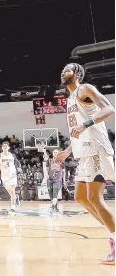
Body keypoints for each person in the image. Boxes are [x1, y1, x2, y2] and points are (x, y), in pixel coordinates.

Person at [56, 63, 115, 265]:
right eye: (62, 70)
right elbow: (76, 130)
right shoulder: (70, 99)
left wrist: (86, 123)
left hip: (96, 148)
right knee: (80, 197)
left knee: (94, 197)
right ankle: (112, 230)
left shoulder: (85, 89)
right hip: (83, 152)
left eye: (68, 69)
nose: (63, 72)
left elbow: (109, 108)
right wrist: (68, 151)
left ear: (78, 74)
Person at [0, 142, 21, 214]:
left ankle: (12, 208)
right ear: (2, 148)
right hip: (5, 176)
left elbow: (18, 163)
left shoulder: (12, 155)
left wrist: (19, 168)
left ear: (8, 147)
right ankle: (16, 197)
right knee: (11, 193)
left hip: (12, 175)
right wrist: (1, 167)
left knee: (12, 191)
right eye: (3, 146)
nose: (5, 148)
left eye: (6, 146)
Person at [43, 148, 65, 213]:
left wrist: (64, 180)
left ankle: (53, 206)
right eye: (54, 152)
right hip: (50, 179)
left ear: (59, 153)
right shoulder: (49, 160)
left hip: (57, 179)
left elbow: (63, 171)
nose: (55, 153)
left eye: (56, 152)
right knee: (51, 195)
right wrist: (46, 175)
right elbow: (46, 169)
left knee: (55, 193)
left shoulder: (61, 161)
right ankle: (55, 205)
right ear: (52, 154)